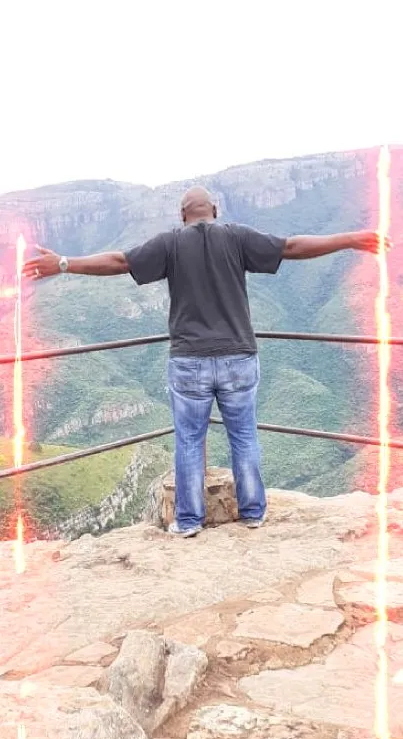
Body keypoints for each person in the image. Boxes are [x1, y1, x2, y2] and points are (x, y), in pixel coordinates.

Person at [23, 186, 391, 538]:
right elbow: (292, 245)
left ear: (182, 215)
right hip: (239, 358)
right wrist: (351, 239)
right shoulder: (236, 236)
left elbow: (119, 261)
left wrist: (65, 263)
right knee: (244, 436)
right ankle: (252, 513)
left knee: (188, 441)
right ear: (214, 211)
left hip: (189, 362)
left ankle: (188, 521)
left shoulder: (169, 243)